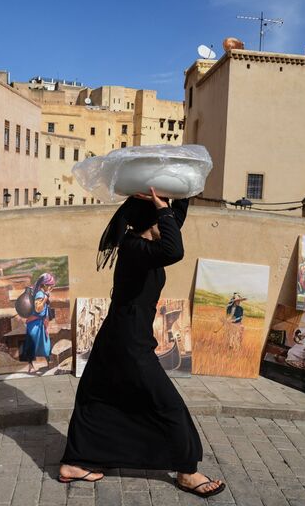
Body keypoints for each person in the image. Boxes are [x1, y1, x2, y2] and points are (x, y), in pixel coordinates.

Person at [59, 188, 225, 499]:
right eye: (164, 218)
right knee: (168, 404)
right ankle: (187, 471)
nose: (171, 222)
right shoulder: (134, 247)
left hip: (118, 333)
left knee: (95, 396)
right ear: (152, 222)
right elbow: (175, 250)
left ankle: (73, 463)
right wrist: (163, 208)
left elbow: (174, 225)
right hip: (129, 341)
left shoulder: (147, 241)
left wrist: (185, 194)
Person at [19, 273, 55, 373]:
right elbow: (38, 309)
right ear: (44, 285)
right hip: (35, 324)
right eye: (49, 285)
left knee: (45, 344)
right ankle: (30, 366)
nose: (51, 287)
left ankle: (49, 363)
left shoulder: (43, 294)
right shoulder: (40, 294)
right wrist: (46, 298)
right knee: (32, 344)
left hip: (41, 323)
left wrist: (47, 295)